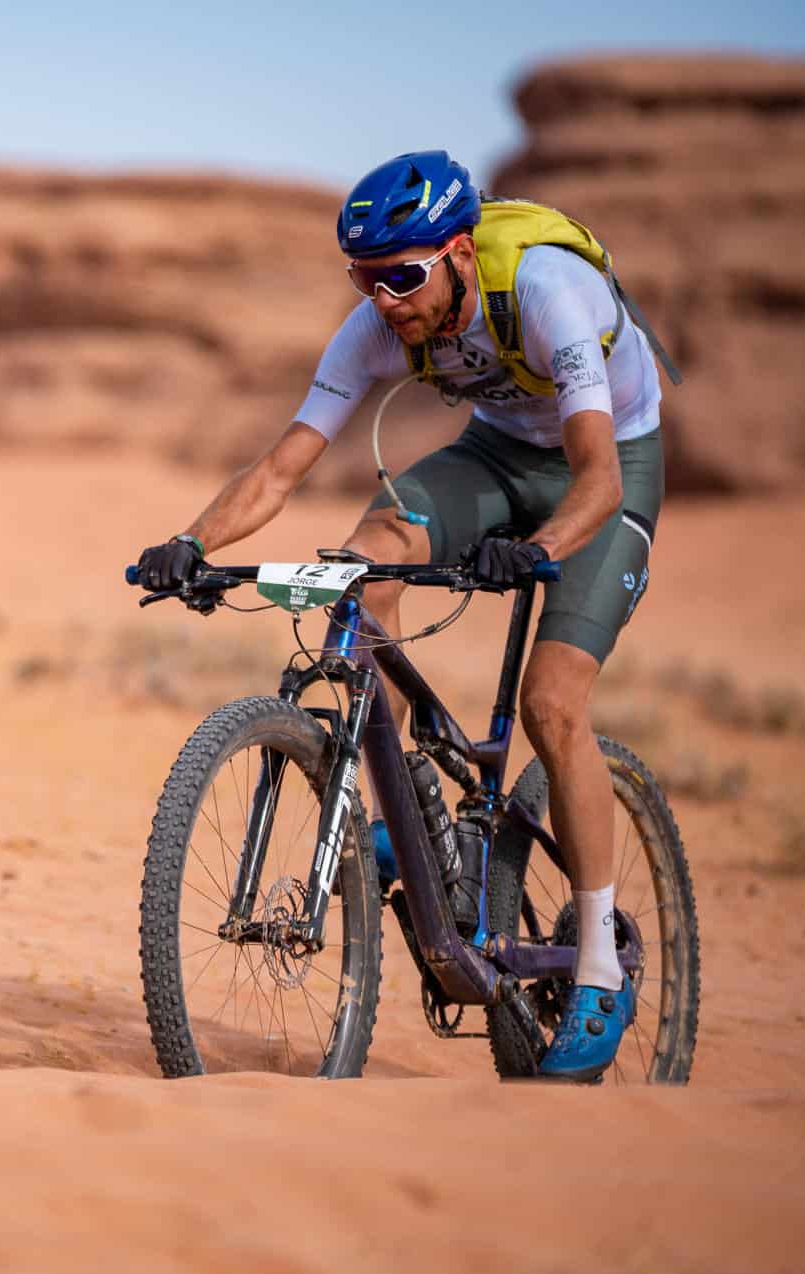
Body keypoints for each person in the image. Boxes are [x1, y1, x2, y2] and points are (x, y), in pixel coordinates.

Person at [133, 150, 671, 1082]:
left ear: (460, 252)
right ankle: (407, 801)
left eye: (403, 276)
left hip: (607, 464)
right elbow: (279, 467)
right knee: (360, 566)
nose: (385, 299)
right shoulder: (376, 325)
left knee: (551, 706)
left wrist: (541, 550)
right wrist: (191, 542)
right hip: (497, 455)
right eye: (365, 279)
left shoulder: (546, 292)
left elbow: (597, 478)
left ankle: (594, 970)